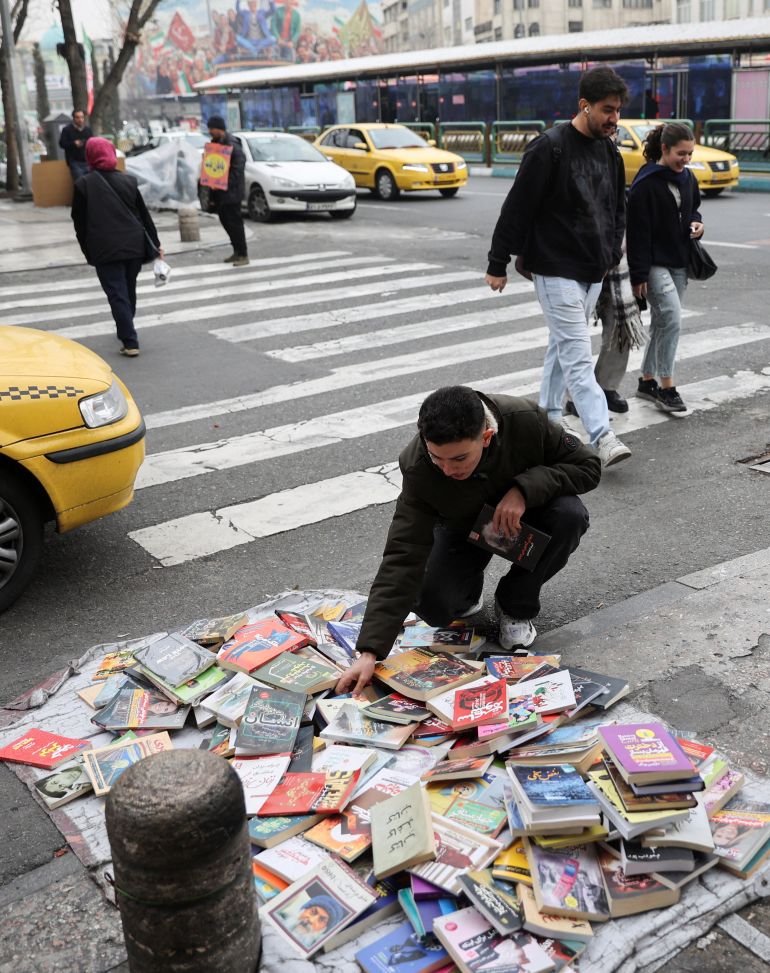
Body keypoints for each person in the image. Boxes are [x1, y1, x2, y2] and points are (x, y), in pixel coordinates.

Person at [336, 386, 600, 695]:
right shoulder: (419, 467)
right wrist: (370, 651)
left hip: (526, 517)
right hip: (462, 528)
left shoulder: (524, 419)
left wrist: (524, 490)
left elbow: (588, 466)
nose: (448, 470)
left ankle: (515, 604)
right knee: (433, 606)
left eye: (459, 458)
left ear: (486, 437)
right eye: (437, 458)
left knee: (569, 515)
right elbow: (403, 552)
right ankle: (466, 592)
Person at [484, 66, 632, 469]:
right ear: (584, 105)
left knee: (562, 345)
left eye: (618, 110)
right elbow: (517, 206)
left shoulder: (610, 151)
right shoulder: (549, 147)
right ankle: (602, 434)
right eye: (607, 109)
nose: (614, 118)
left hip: (593, 270)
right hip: (554, 267)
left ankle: (548, 417)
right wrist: (498, 261)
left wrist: (610, 255)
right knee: (577, 352)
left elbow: (617, 208)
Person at [627, 122, 704, 414]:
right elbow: (637, 233)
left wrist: (697, 223)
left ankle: (647, 381)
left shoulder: (688, 178)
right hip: (653, 263)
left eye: (689, 153)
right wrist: (638, 276)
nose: (686, 159)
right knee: (672, 318)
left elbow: (693, 208)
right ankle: (667, 386)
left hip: (680, 261)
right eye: (681, 154)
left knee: (663, 321)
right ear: (664, 149)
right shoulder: (645, 183)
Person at [71, 137, 162, 357]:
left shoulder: (83, 185)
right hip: (133, 246)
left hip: (104, 249)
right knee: (127, 290)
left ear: (90, 155)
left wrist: (87, 250)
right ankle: (126, 325)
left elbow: (79, 223)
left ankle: (130, 340)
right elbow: (144, 216)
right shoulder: (129, 181)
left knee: (117, 294)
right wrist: (156, 244)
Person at [206, 115, 248, 266]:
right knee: (226, 222)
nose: (210, 131)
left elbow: (238, 170)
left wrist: (222, 183)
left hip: (232, 193)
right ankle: (236, 251)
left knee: (235, 224)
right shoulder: (216, 144)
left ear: (219, 129)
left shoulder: (232, 145)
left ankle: (243, 255)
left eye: (212, 128)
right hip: (220, 193)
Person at [59, 109, 93, 182]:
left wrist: (84, 142)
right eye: (77, 117)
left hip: (87, 161)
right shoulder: (66, 130)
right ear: (73, 118)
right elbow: (62, 144)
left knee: (90, 182)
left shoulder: (88, 129)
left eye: (82, 117)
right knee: (80, 182)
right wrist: (74, 143)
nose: (80, 120)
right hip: (74, 162)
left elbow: (92, 142)